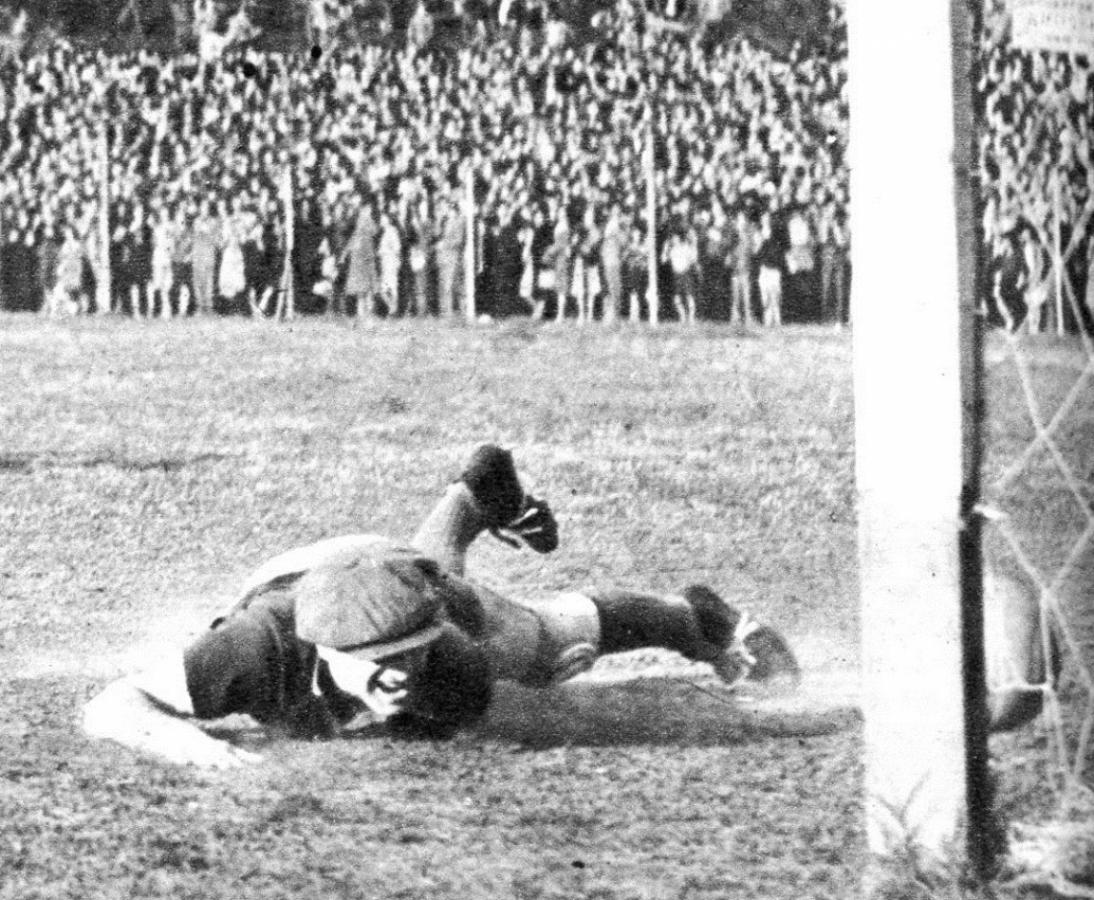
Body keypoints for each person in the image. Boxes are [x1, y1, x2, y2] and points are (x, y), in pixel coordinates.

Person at [82, 445, 800, 769]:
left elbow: (442, 653)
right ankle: (471, 495)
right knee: (445, 575)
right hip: (299, 575)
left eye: (410, 653)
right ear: (326, 651)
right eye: (378, 664)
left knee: (551, 645)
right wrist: (188, 745)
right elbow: (115, 704)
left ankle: (703, 620)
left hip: (402, 575)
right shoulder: (253, 652)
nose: (402, 674)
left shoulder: (449, 650)